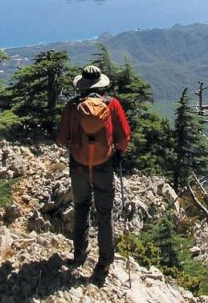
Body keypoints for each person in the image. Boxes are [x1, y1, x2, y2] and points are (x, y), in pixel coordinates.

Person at [56, 64, 131, 285]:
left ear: (81, 85)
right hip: (104, 166)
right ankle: (104, 262)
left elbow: (61, 139)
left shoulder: (72, 106)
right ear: (101, 84)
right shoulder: (113, 104)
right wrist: (118, 153)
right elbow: (125, 137)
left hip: (79, 165)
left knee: (81, 207)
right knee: (105, 213)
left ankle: (80, 254)